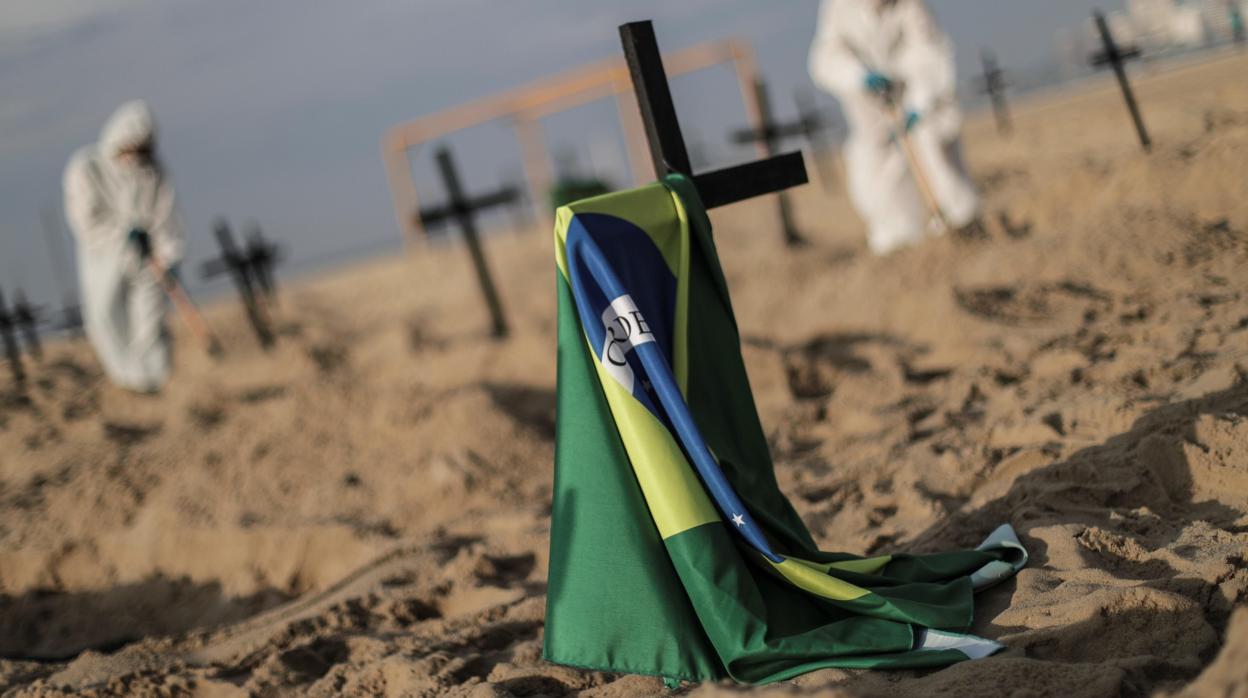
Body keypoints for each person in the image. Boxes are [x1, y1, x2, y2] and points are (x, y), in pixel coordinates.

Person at [808, 0, 981, 255]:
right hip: (871, 108)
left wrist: (917, 102)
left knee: (934, 154)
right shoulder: (837, 7)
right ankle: (898, 242)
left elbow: (929, 50)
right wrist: (859, 76)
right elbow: (826, 58)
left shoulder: (910, 5)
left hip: (917, 98)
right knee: (878, 173)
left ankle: (960, 225)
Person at [63, 100, 186, 392]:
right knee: (106, 318)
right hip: (103, 261)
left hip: (148, 262)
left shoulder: (154, 172)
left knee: (149, 321)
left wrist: (166, 254)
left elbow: (167, 219)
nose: (136, 156)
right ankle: (128, 383)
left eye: (143, 149)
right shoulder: (86, 167)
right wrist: (123, 234)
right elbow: (85, 221)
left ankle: (157, 382)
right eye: (132, 147)